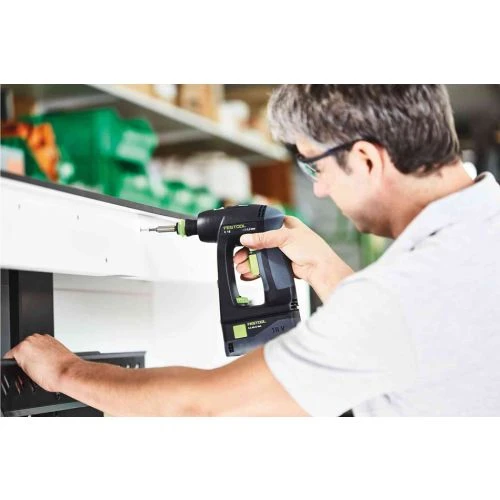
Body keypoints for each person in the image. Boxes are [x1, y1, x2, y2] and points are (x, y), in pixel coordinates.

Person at [5, 85, 500, 416]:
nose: (320, 189)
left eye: (315, 167)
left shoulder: (398, 297)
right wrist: (327, 270)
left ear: (367, 159)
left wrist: (67, 371)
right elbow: (421, 335)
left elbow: (204, 407)